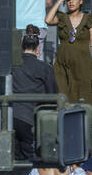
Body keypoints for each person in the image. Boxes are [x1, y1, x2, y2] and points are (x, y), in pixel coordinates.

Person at [11, 26, 59, 167]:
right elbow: (53, 95)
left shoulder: (12, 67)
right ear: (38, 49)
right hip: (30, 119)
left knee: (13, 158)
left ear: (21, 48)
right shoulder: (44, 68)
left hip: (11, 117)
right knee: (31, 159)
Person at [47, 0, 92, 105]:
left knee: (84, 98)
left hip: (83, 66)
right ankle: (64, 122)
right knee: (62, 98)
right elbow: (48, 20)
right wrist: (60, 0)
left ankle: (85, 122)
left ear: (81, 1)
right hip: (62, 66)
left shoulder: (89, 19)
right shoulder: (62, 18)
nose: (71, 2)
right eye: (68, 0)